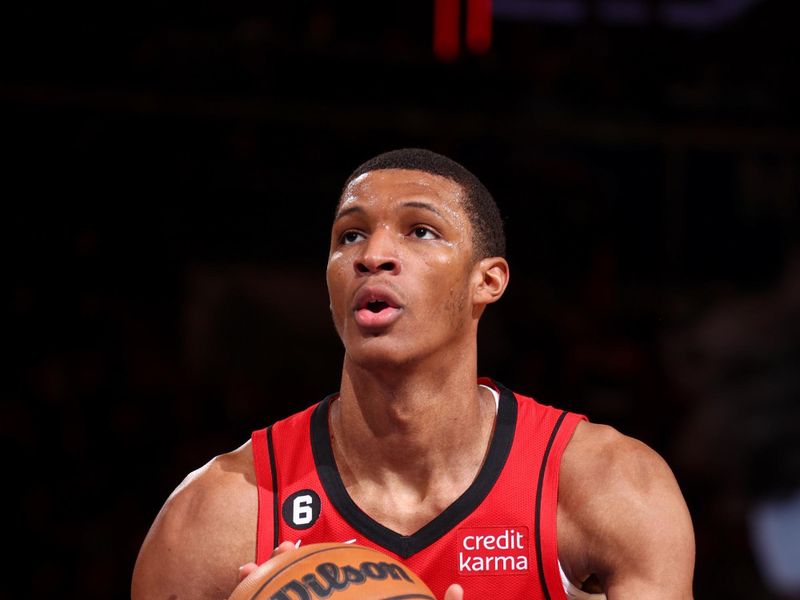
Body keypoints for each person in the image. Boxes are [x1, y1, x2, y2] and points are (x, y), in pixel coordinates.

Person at [131, 148, 695, 599]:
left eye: (420, 231)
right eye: (349, 235)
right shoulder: (216, 515)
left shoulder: (610, 485)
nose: (372, 254)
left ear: (488, 281)